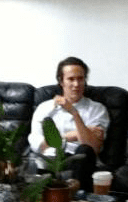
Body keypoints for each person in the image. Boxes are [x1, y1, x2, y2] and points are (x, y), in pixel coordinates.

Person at [28, 56, 110, 192]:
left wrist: (74, 112)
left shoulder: (97, 109)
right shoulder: (44, 108)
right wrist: (71, 135)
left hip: (79, 161)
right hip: (50, 159)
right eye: (71, 79)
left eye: (80, 79)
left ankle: (76, 196)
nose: (76, 84)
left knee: (84, 151)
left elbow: (92, 148)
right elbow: (37, 145)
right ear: (61, 81)